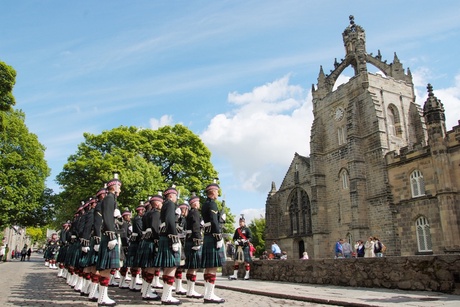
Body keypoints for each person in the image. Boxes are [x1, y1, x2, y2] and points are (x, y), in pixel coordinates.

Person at [96, 173, 122, 306]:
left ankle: (103, 296)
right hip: (108, 236)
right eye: (119, 187)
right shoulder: (109, 199)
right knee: (105, 268)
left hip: (109, 235)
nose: (120, 190)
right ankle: (102, 297)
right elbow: (106, 218)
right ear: (114, 187)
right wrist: (112, 235)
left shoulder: (112, 200)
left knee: (107, 268)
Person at [153, 186, 182, 305]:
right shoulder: (170, 204)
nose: (176, 198)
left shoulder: (164, 205)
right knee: (171, 267)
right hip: (170, 237)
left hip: (165, 236)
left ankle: (166, 295)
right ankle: (167, 296)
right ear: (171, 195)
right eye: (175, 195)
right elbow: (170, 221)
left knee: (168, 267)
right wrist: (174, 237)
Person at [200, 182, 226, 303]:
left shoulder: (205, 204)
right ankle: (210, 295)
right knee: (213, 268)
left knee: (208, 268)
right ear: (213, 192)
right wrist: (219, 237)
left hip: (207, 235)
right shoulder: (213, 204)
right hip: (213, 236)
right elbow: (214, 222)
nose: (218, 194)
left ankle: (207, 293)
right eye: (217, 191)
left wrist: (221, 217)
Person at [183, 194, 204, 299]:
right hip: (193, 241)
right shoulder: (195, 212)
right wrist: (198, 240)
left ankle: (190, 290)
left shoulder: (190, 213)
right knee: (193, 268)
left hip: (188, 240)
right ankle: (191, 291)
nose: (199, 204)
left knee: (191, 267)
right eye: (198, 202)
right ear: (194, 203)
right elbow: (196, 227)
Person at [229, 215, 252, 280]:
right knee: (236, 260)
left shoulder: (247, 229)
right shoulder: (237, 230)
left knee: (246, 261)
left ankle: (247, 275)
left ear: (244, 222)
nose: (240, 223)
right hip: (238, 247)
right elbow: (234, 238)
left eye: (241, 222)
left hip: (245, 247)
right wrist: (236, 241)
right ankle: (235, 275)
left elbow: (250, 238)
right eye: (239, 222)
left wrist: (245, 241)